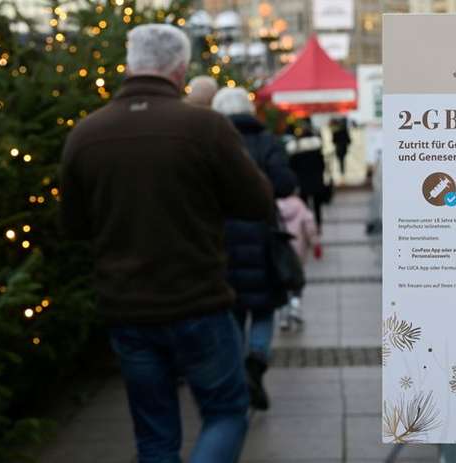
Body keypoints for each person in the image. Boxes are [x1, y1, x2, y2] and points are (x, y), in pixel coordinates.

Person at [60, 24, 274, 463]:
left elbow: (74, 226)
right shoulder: (204, 128)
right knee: (227, 412)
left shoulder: (86, 134)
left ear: (130, 63)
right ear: (180, 70)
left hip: (127, 308)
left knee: (154, 434)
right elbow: (258, 202)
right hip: (199, 301)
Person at [212, 87, 297, 411]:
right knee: (264, 307)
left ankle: (237, 370)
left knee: (231, 308)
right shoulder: (267, 141)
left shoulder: (212, 144)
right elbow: (286, 183)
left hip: (222, 238)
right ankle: (256, 360)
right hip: (262, 236)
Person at [276, 193, 321, 331]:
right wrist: (315, 244)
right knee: (297, 282)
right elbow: (309, 227)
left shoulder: (274, 206)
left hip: (280, 251)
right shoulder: (300, 205)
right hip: (298, 251)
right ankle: (295, 308)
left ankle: (283, 315)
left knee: (282, 283)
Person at [287, 123, 326, 231]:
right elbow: (322, 165)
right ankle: (318, 225)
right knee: (317, 206)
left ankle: (307, 227)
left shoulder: (295, 149)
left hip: (302, 182)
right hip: (316, 181)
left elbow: (291, 167)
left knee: (304, 206)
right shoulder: (316, 149)